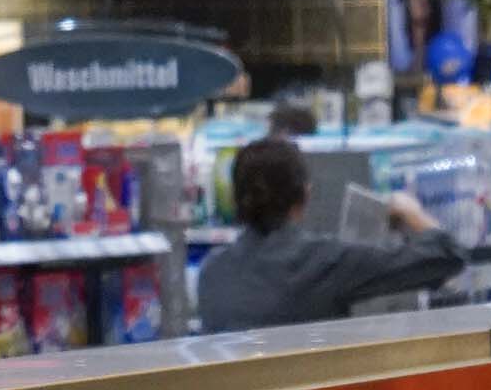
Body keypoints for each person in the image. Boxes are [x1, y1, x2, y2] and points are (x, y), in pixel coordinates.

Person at [196, 118, 464, 331]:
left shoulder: (212, 273)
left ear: (233, 198)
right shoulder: (324, 262)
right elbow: (447, 254)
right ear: (305, 195)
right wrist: (410, 212)